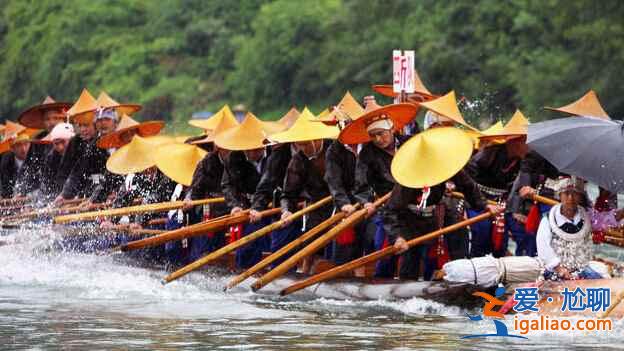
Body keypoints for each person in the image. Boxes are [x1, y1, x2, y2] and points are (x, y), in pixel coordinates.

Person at [536, 176, 624, 280]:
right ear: (559, 195)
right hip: (555, 271)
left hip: (581, 268)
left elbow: (606, 220)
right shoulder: (548, 220)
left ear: (580, 197)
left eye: (575, 194)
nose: (570, 198)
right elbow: (544, 249)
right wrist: (560, 269)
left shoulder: (586, 216)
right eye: (566, 194)